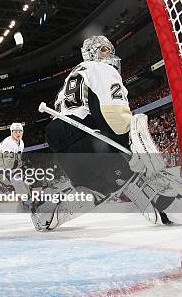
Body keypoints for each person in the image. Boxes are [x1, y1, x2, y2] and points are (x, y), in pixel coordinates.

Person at [31, 35, 182, 231]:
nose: (109, 53)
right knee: (125, 174)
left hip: (61, 142)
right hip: (85, 136)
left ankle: (46, 213)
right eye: (104, 49)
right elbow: (113, 114)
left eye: (109, 49)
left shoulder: (74, 74)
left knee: (95, 190)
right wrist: (128, 145)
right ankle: (168, 208)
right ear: (92, 52)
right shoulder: (101, 68)